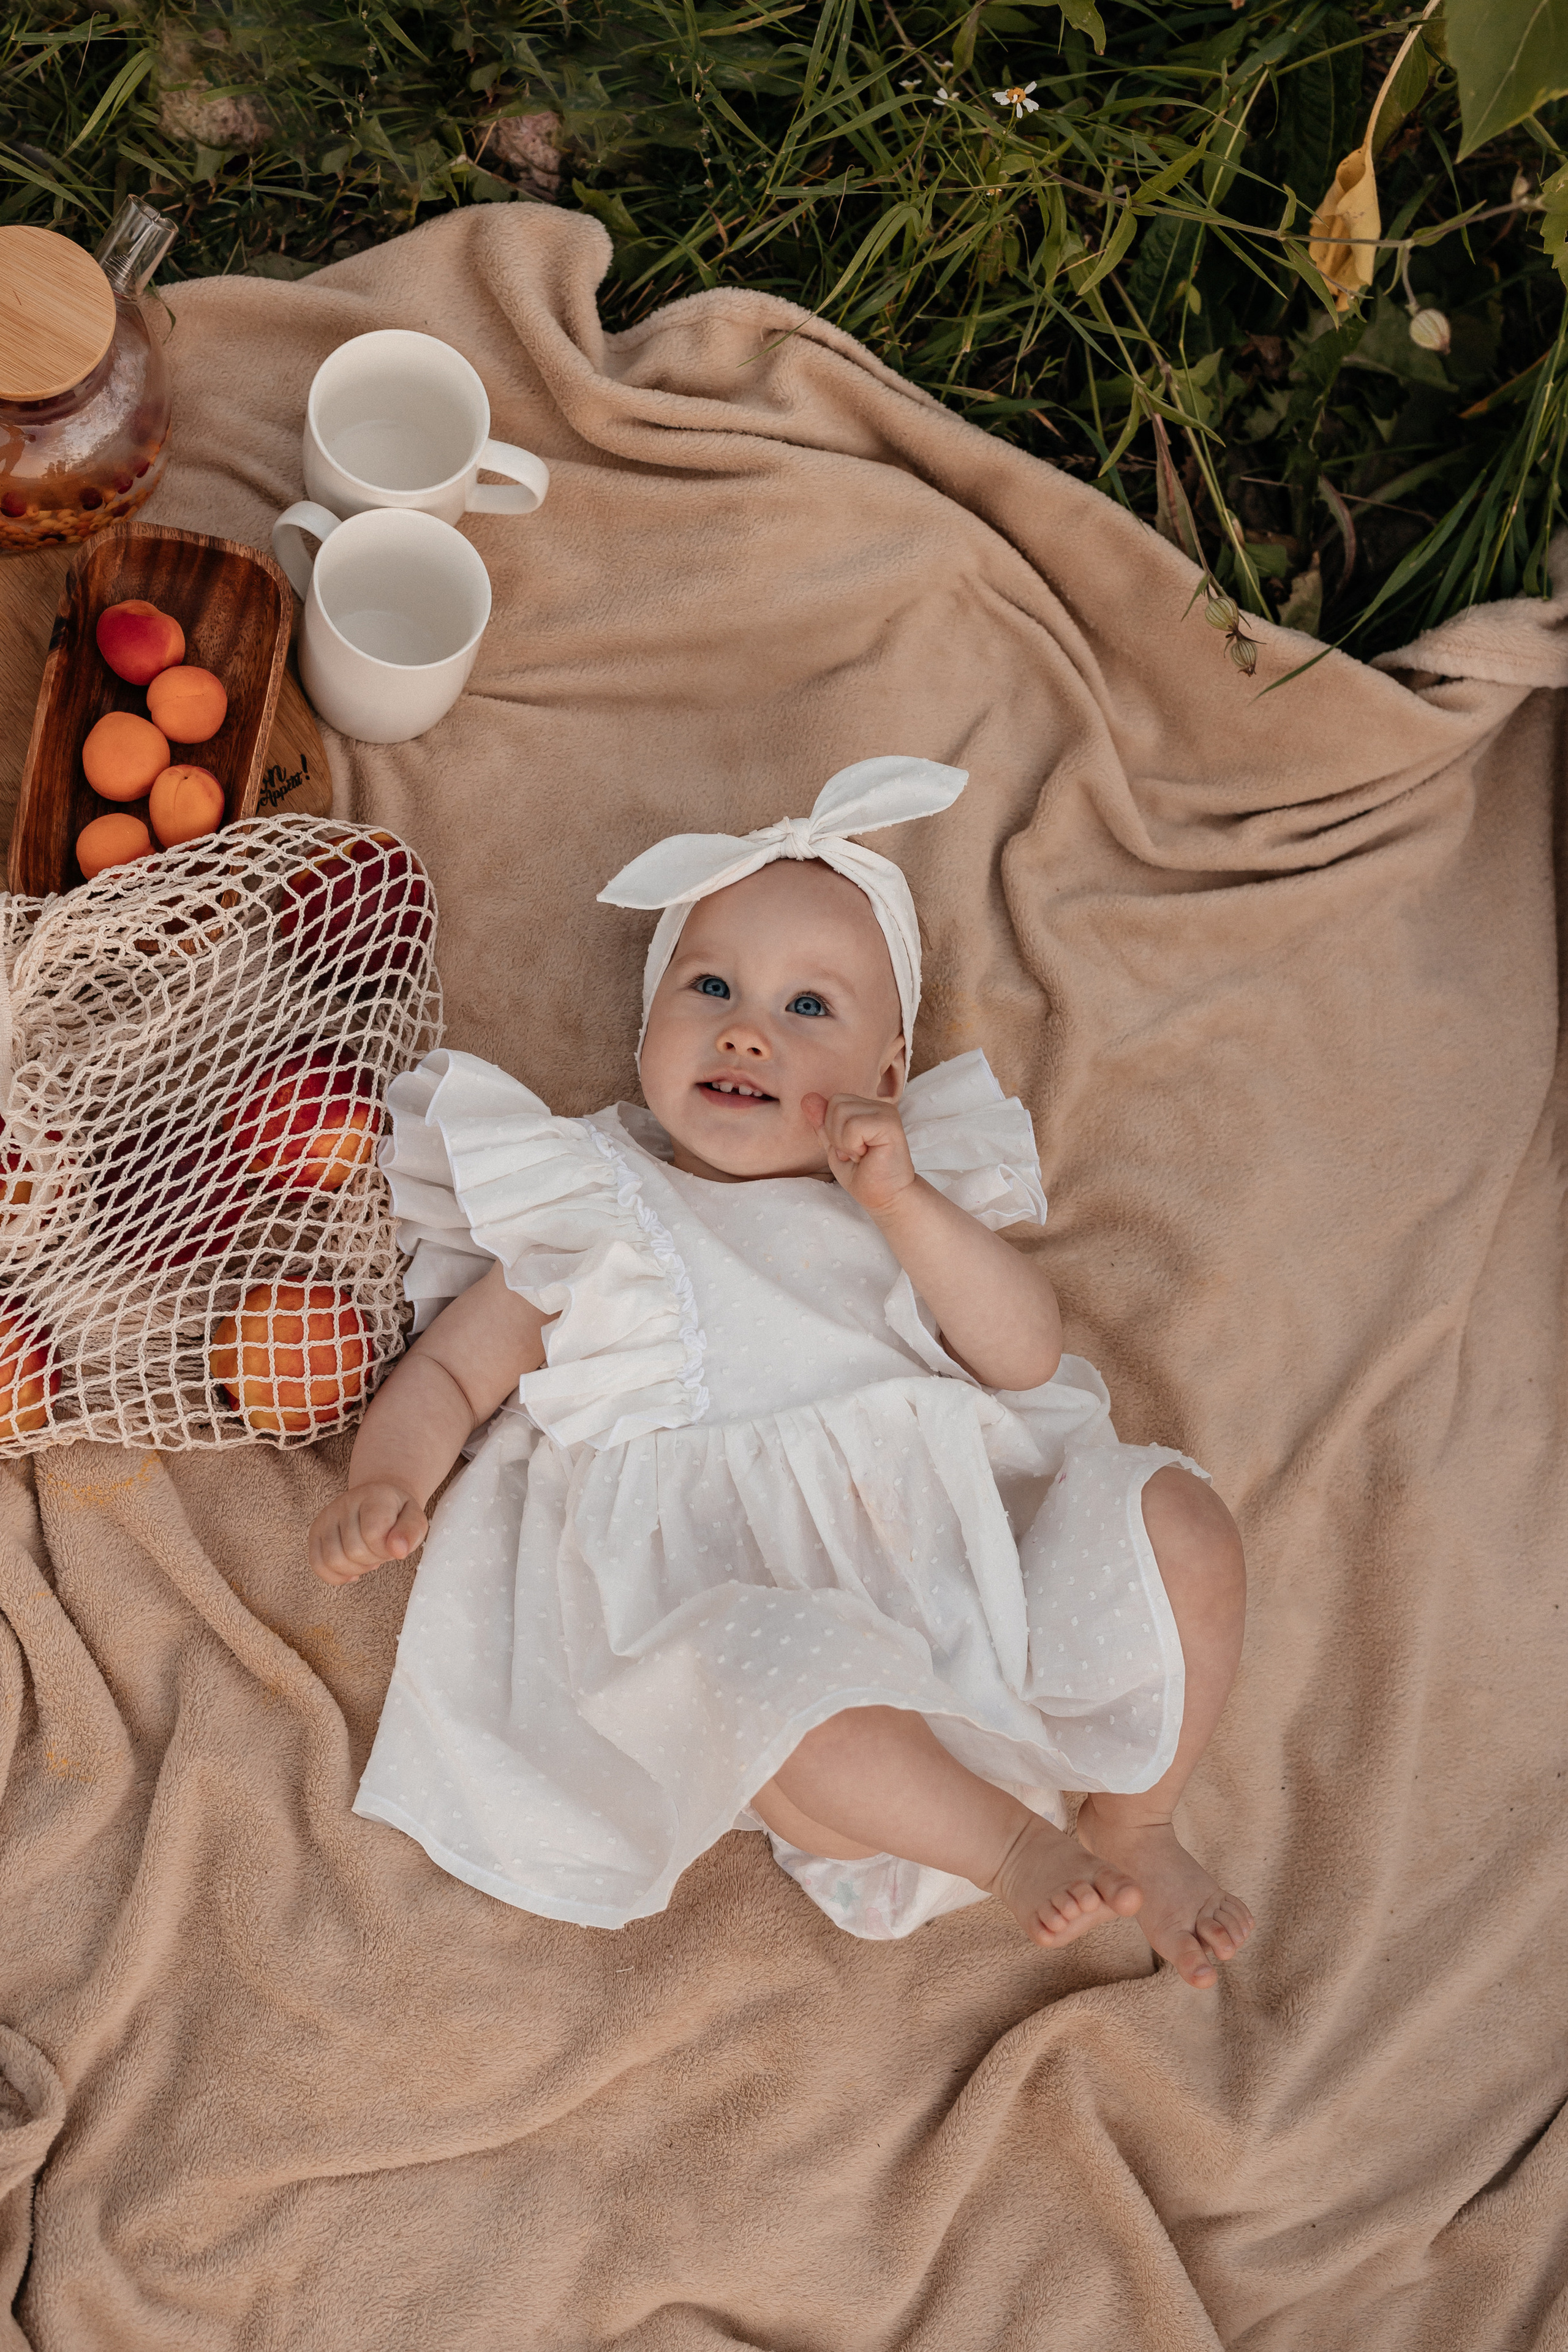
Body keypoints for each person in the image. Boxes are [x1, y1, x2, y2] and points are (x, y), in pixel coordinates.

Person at [309, 757, 1254, 1986]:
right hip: (788, 1656)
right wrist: (387, 1480)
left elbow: (1024, 1354)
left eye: (810, 1007)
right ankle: (1010, 1846)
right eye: (708, 987)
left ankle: (1136, 1820)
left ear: (884, 1074)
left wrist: (905, 1204)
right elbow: (449, 1375)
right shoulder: (598, 1214)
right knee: (765, 1672)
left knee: (1177, 1515)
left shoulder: (898, 1199)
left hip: (990, 1583)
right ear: (648, 1034)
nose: (746, 1027)